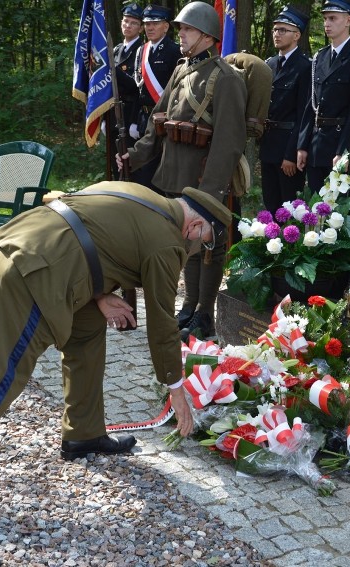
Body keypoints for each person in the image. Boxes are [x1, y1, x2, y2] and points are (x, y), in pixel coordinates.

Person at [0, 181, 231, 513]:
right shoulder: (167, 242)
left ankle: (84, 434)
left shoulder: (139, 194)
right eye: (204, 242)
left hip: (30, 246)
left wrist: (99, 294)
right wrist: (176, 388)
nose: (198, 249)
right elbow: (161, 325)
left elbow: (75, 218)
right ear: (195, 225)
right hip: (35, 274)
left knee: (88, 332)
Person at [117, 1, 247, 341]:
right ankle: (189, 306)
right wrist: (134, 156)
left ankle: (204, 313)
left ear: (205, 35)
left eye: (186, 29)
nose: (181, 35)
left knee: (209, 246)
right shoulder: (181, 69)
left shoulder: (225, 78)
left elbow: (230, 141)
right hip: (173, 173)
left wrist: (212, 191)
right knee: (185, 242)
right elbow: (157, 123)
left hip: (203, 178)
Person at [116, 4, 182, 192]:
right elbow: (139, 90)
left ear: (166, 26)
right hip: (145, 119)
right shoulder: (141, 51)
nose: (149, 28)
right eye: (146, 24)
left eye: (155, 23)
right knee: (142, 174)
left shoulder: (174, 51)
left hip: (165, 120)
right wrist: (135, 120)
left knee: (160, 175)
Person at [295, 0, 350, 193]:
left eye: (332, 18)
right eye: (325, 19)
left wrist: (343, 151)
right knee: (315, 208)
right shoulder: (320, 56)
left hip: (338, 144)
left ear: (348, 21)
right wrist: (302, 145)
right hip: (316, 145)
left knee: (337, 213)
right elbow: (310, 104)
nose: (326, 23)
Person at [259, 5, 311, 214]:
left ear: (296, 35)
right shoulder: (269, 64)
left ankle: (288, 246)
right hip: (269, 144)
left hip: (287, 148)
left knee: (289, 209)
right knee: (270, 204)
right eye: (275, 29)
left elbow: (304, 113)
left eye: (283, 30)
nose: (277, 34)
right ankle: (269, 245)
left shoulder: (305, 66)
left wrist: (291, 154)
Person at [107, 2, 144, 179]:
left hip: (131, 115)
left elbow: (136, 86)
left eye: (134, 23)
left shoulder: (143, 50)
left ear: (141, 28)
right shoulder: (116, 50)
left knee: (130, 165)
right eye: (126, 21)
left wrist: (113, 70)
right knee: (115, 164)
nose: (128, 26)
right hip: (114, 114)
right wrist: (104, 117)